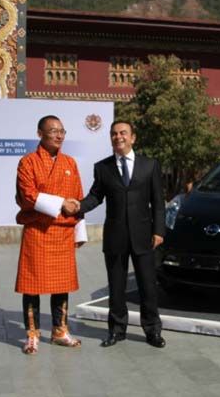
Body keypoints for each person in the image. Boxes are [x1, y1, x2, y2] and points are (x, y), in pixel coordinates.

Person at [69, 120, 166, 348]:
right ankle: (117, 330)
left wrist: (159, 230)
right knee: (116, 287)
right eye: (114, 134)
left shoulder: (149, 165)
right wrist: (78, 206)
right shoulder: (102, 168)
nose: (118, 137)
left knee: (148, 286)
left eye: (123, 133)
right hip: (115, 236)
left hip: (144, 236)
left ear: (133, 137)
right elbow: (95, 197)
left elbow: (158, 202)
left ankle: (152, 330)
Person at [14, 115, 87, 355]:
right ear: (40, 134)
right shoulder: (27, 162)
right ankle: (32, 334)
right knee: (32, 285)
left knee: (61, 284)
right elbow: (27, 196)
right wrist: (61, 204)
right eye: (53, 131)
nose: (58, 135)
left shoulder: (70, 163)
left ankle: (59, 331)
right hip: (38, 232)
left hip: (63, 233)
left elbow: (77, 197)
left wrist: (79, 229)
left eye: (61, 131)